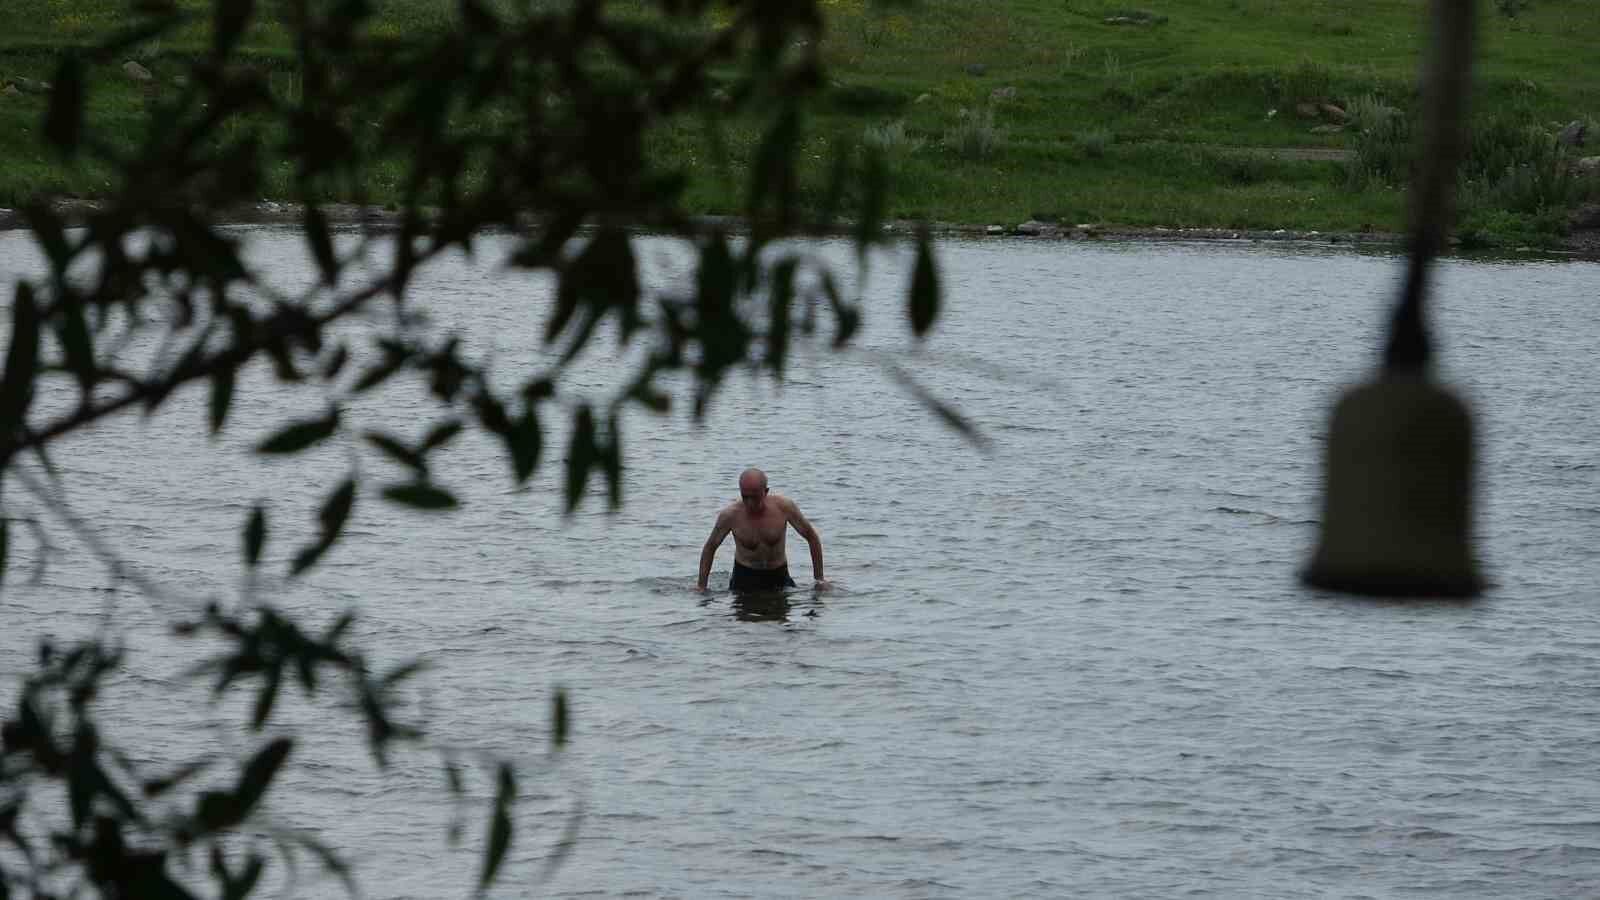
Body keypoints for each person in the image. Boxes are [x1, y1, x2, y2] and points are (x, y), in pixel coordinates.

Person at [697, 468, 827, 592]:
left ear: (766, 492)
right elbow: (710, 547)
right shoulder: (730, 515)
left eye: (754, 497)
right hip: (744, 578)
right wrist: (701, 586)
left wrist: (819, 579)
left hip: (779, 575)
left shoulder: (784, 507)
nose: (749, 502)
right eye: (745, 497)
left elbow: (811, 537)